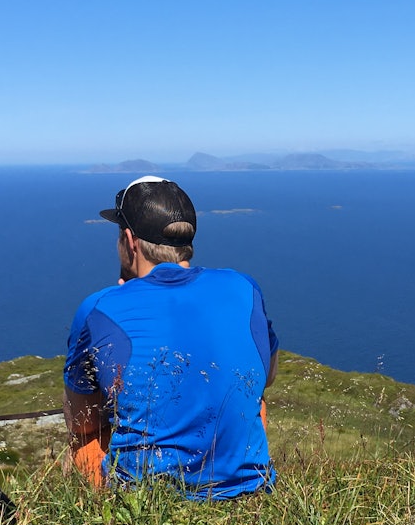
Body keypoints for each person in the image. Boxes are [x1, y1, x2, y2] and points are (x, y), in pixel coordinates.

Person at [63, 176, 278, 499]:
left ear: (130, 240)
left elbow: (81, 422)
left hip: (147, 500)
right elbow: (268, 377)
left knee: (83, 443)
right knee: (254, 404)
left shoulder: (100, 307)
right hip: (250, 492)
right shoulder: (244, 287)